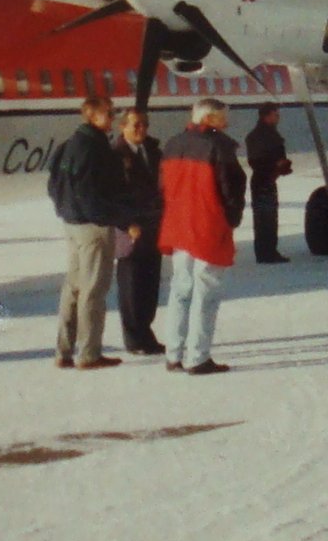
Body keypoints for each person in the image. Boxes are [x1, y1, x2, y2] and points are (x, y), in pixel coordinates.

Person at [45, 96, 135, 370]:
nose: (113, 118)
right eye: (109, 113)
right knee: (93, 290)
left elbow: (54, 184)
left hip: (72, 224)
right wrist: (116, 219)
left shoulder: (69, 145)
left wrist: (65, 208)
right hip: (93, 226)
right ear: (93, 116)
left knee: (73, 286)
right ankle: (89, 353)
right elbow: (93, 192)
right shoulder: (95, 149)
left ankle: (63, 350)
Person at [158, 98, 246, 375]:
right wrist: (232, 218)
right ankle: (197, 356)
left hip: (178, 225)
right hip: (207, 226)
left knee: (180, 289)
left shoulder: (172, 144)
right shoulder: (219, 147)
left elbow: (161, 186)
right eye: (222, 117)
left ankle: (174, 352)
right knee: (205, 292)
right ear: (209, 119)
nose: (227, 122)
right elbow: (231, 188)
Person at [109, 107, 166, 355]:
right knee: (131, 286)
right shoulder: (114, 156)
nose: (141, 129)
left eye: (144, 124)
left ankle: (146, 333)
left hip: (154, 226)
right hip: (131, 230)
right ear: (122, 127)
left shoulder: (152, 151)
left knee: (150, 285)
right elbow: (112, 196)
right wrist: (126, 224)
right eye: (136, 125)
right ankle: (134, 338)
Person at [244, 102, 291, 263]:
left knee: (265, 217)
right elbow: (257, 161)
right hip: (264, 179)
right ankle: (267, 252)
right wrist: (277, 165)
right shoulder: (263, 136)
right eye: (275, 115)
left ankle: (266, 251)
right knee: (266, 218)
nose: (278, 118)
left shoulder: (264, 134)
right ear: (267, 116)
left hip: (265, 178)